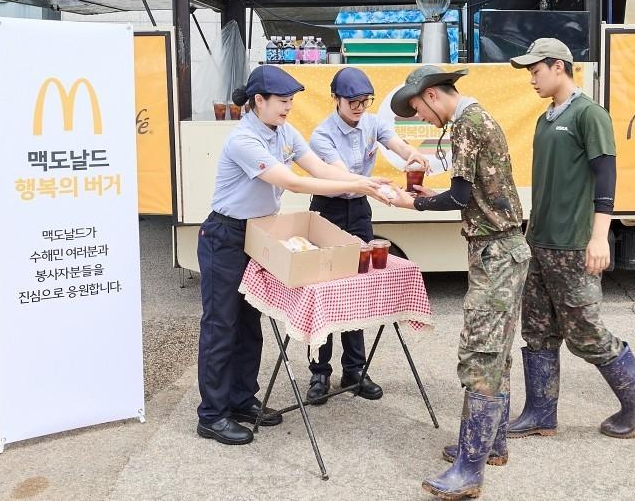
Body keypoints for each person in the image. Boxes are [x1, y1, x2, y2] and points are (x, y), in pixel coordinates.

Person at [196, 64, 389, 446]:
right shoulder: (243, 140)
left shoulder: (283, 131)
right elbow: (294, 181)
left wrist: (361, 182)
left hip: (258, 234)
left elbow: (316, 166)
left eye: (290, 102)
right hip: (225, 236)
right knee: (222, 326)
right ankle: (212, 414)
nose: (288, 108)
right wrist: (362, 183)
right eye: (282, 102)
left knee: (250, 322)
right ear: (258, 102)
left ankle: (242, 399)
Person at [388, 65, 530, 500]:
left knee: (481, 353)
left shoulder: (465, 124)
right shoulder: (475, 118)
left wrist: (415, 203)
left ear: (431, 95)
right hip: (505, 248)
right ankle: (492, 445)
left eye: (417, 109)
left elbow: (459, 197)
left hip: (496, 253)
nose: (422, 119)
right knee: (498, 352)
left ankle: (469, 470)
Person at [508, 38, 635, 441]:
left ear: (558, 66)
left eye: (535, 70)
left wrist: (600, 237)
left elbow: (606, 177)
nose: (532, 79)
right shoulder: (545, 119)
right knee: (537, 330)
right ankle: (540, 413)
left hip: (574, 244)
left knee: (586, 330)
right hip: (539, 242)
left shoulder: (589, 114)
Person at [304, 67, 428, 404]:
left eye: (365, 101)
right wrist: (377, 188)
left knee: (358, 286)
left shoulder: (372, 122)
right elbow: (342, 176)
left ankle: (355, 369)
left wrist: (412, 155)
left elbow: (394, 142)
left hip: (359, 210)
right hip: (329, 209)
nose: (360, 107)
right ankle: (319, 372)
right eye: (353, 101)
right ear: (336, 100)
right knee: (325, 288)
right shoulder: (322, 135)